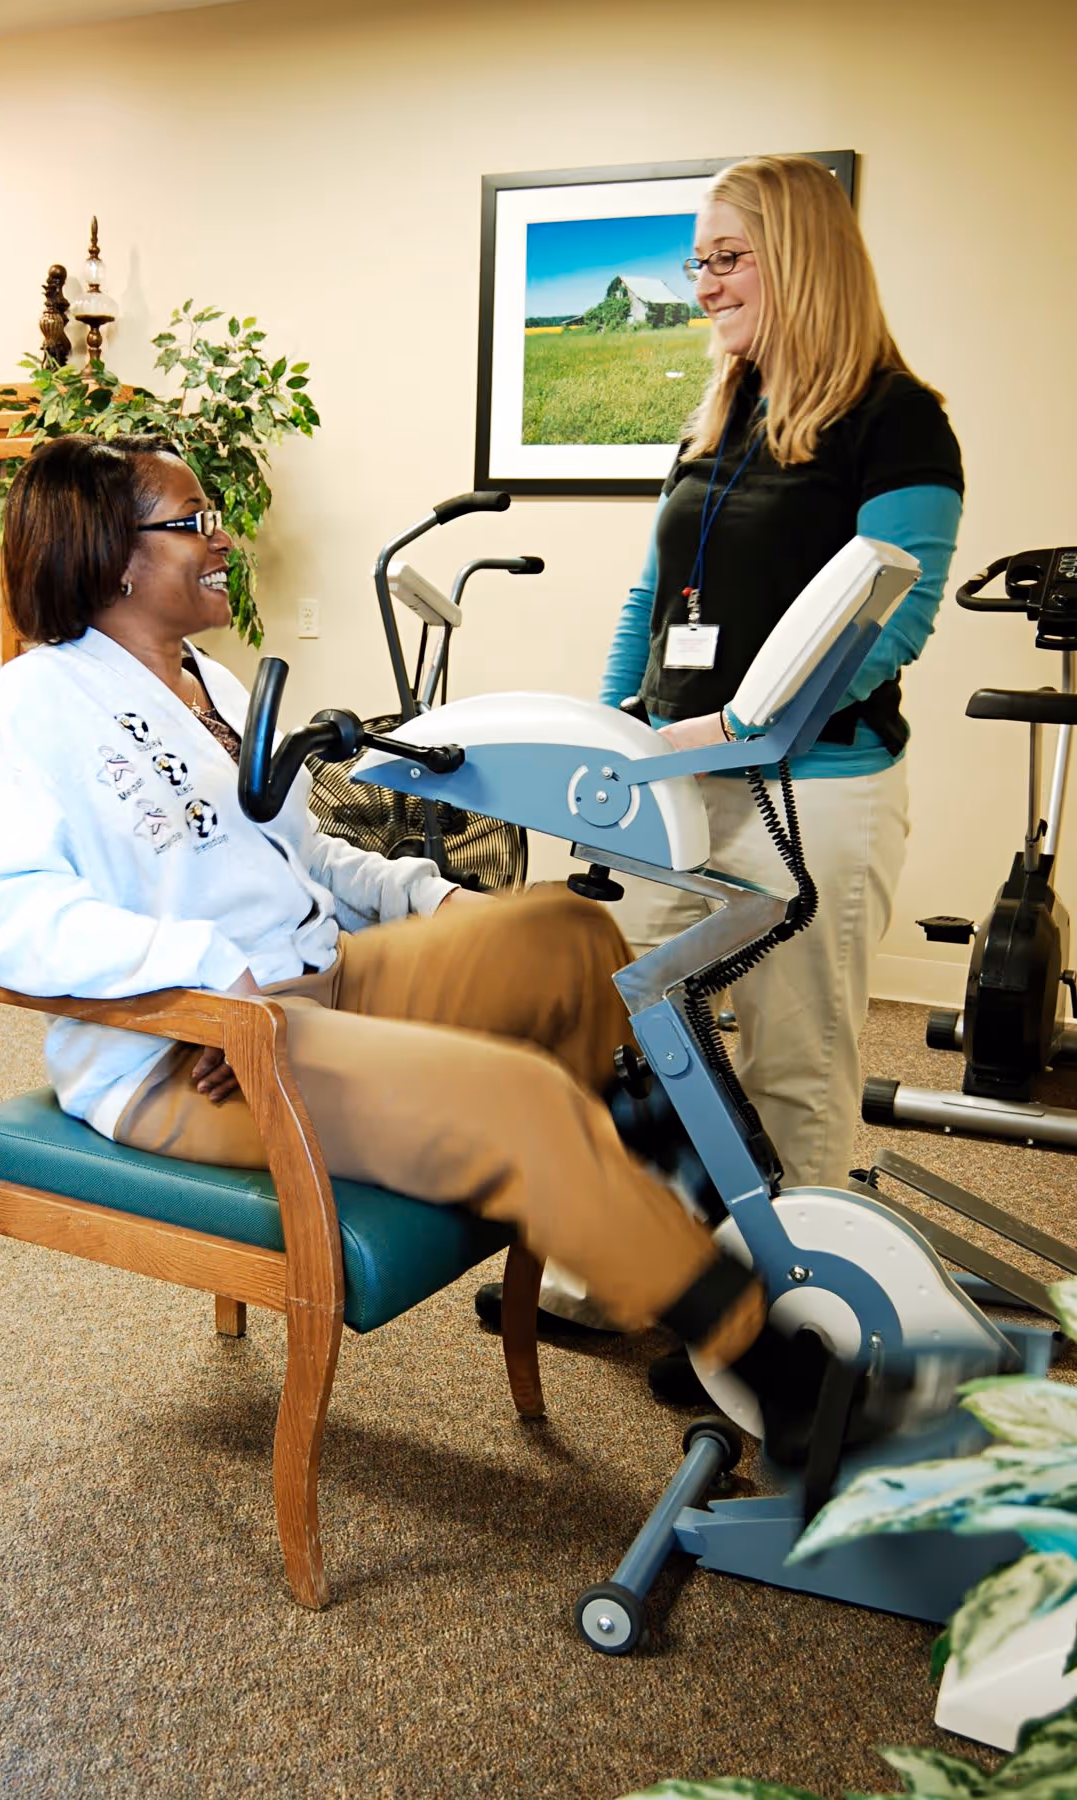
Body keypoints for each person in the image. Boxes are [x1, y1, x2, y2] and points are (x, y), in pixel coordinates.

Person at [0, 430, 897, 1469]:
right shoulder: (35, 703)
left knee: (571, 933)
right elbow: (7, 914)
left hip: (316, 982)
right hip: (190, 1055)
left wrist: (434, 898)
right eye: (195, 524)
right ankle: (780, 1370)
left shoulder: (207, 687)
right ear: (115, 555)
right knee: (516, 1100)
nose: (224, 540)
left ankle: (657, 1205)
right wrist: (207, 973)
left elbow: (305, 854)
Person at [476, 153, 964, 1353]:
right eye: (695, 260)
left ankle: (797, 1332)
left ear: (800, 257)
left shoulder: (897, 421)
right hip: (677, 787)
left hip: (817, 792)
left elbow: (892, 620)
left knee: (799, 1064)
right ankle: (666, 1288)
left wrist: (751, 726)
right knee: (629, 1026)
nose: (703, 282)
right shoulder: (723, 414)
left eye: (726, 256)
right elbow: (657, 593)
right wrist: (599, 740)